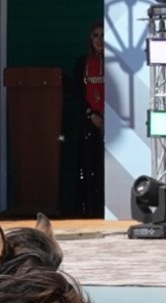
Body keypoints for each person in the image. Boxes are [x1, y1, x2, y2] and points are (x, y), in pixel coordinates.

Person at [72, 21, 105, 218]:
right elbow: (78, 93)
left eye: (103, 35)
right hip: (90, 120)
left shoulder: (115, 62)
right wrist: (91, 115)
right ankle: (91, 210)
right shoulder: (82, 63)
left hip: (113, 121)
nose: (100, 39)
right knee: (90, 166)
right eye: (95, 35)